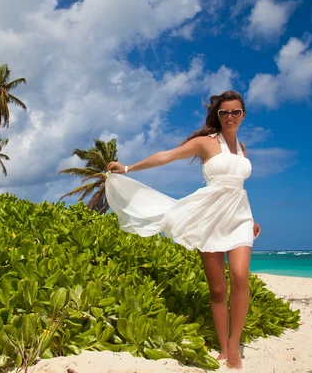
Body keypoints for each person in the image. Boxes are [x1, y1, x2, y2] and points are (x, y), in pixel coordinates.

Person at [105, 90, 261, 369]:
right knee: (217, 289)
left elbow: (238, 186)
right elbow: (167, 156)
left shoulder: (242, 148)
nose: (230, 117)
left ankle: (235, 345)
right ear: (218, 115)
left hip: (240, 216)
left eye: (236, 112)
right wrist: (128, 167)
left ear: (243, 115)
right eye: (224, 112)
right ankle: (223, 347)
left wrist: (252, 219)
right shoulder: (204, 142)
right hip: (208, 216)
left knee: (240, 277)